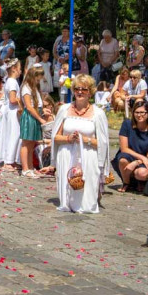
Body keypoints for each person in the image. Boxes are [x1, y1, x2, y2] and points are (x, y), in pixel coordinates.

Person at [51, 75, 110, 214]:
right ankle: (67, 202)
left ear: (90, 92)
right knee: (67, 194)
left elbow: (102, 143)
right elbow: (55, 137)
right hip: (66, 154)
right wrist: (68, 138)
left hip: (88, 156)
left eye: (84, 89)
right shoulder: (64, 109)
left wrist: (85, 139)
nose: (80, 92)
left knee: (87, 203)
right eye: (77, 88)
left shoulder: (98, 114)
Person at [112, 101, 148, 193]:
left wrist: (137, 162)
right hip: (128, 156)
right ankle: (126, 183)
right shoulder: (127, 124)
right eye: (136, 112)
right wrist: (140, 158)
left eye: (142, 112)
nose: (139, 115)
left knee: (142, 173)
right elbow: (124, 148)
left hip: (144, 161)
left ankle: (139, 181)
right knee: (123, 160)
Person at [0, 60, 23, 171]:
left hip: (10, 111)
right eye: (19, 68)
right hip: (12, 112)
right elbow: (12, 99)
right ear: (14, 69)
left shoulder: (10, 81)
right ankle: (9, 160)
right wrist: (23, 100)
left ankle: (12, 159)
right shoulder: (12, 82)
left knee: (12, 134)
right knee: (14, 135)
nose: (20, 70)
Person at [19, 67, 47, 175]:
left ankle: (30, 167)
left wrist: (43, 110)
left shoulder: (34, 87)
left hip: (36, 114)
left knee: (32, 143)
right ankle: (25, 168)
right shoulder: (26, 88)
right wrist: (39, 118)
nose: (38, 81)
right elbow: (29, 107)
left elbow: (37, 104)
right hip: (30, 116)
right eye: (37, 78)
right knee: (26, 143)